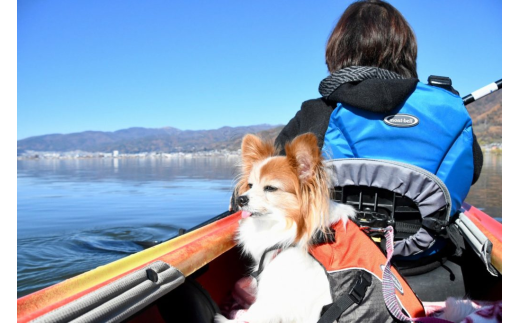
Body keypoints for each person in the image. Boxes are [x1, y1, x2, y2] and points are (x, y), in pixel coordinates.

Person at [274, 0, 483, 186]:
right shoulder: (446, 105)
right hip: (430, 228)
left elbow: (274, 179)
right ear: (407, 52)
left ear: (339, 50)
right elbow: (471, 173)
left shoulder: (316, 112)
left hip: (340, 227)